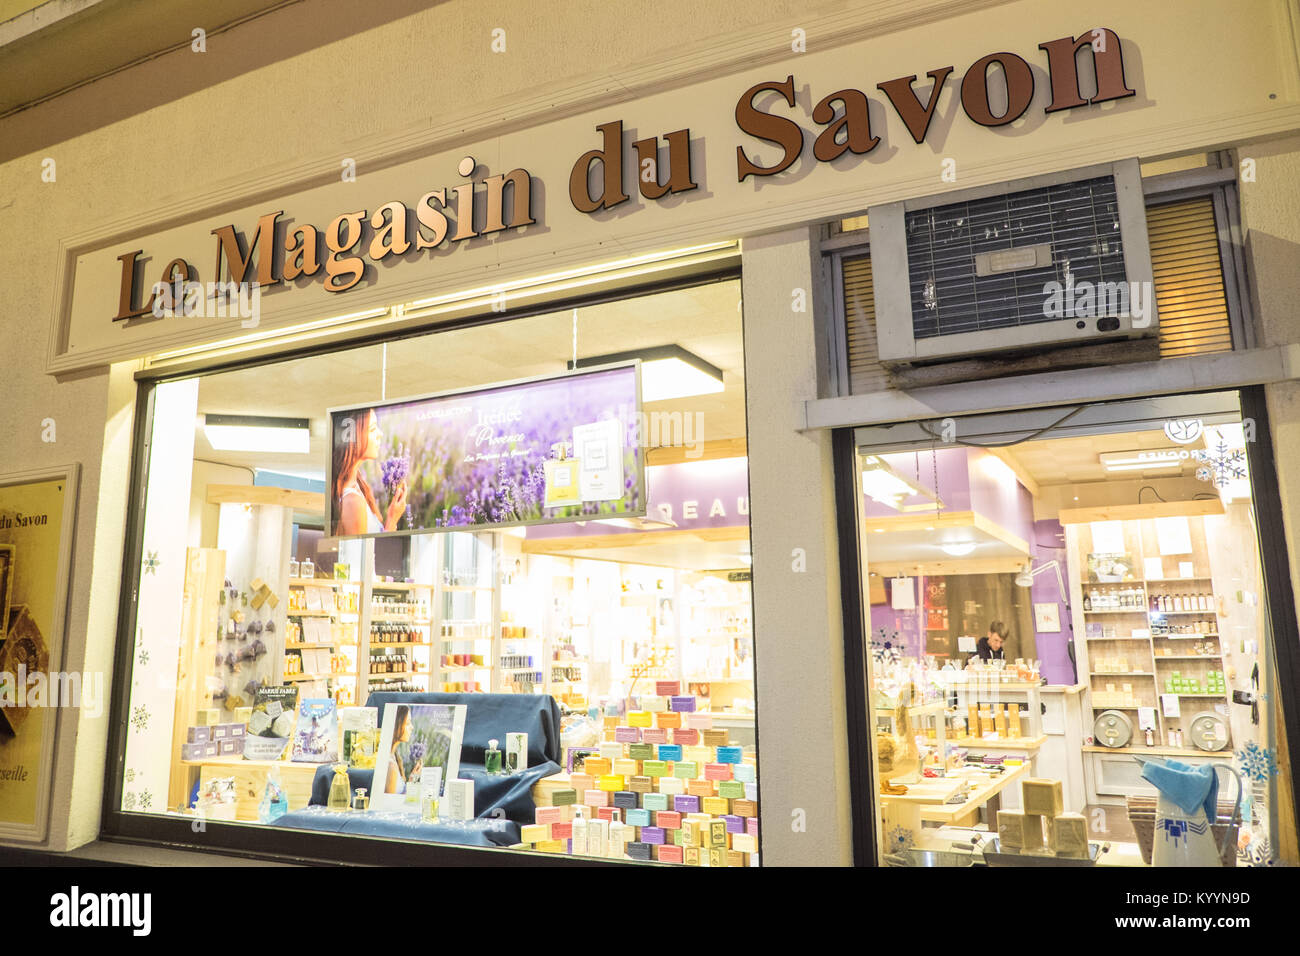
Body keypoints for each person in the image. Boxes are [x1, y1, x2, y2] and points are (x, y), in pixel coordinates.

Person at [333, 408, 408, 536]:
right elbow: (364, 555)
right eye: (373, 429)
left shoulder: (357, 485)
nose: (380, 434)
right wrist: (392, 519)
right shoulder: (353, 502)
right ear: (354, 438)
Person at [384, 705, 423, 795]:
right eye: (408, 723)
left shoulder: (394, 756)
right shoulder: (391, 767)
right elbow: (392, 805)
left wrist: (413, 778)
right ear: (398, 724)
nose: (412, 727)